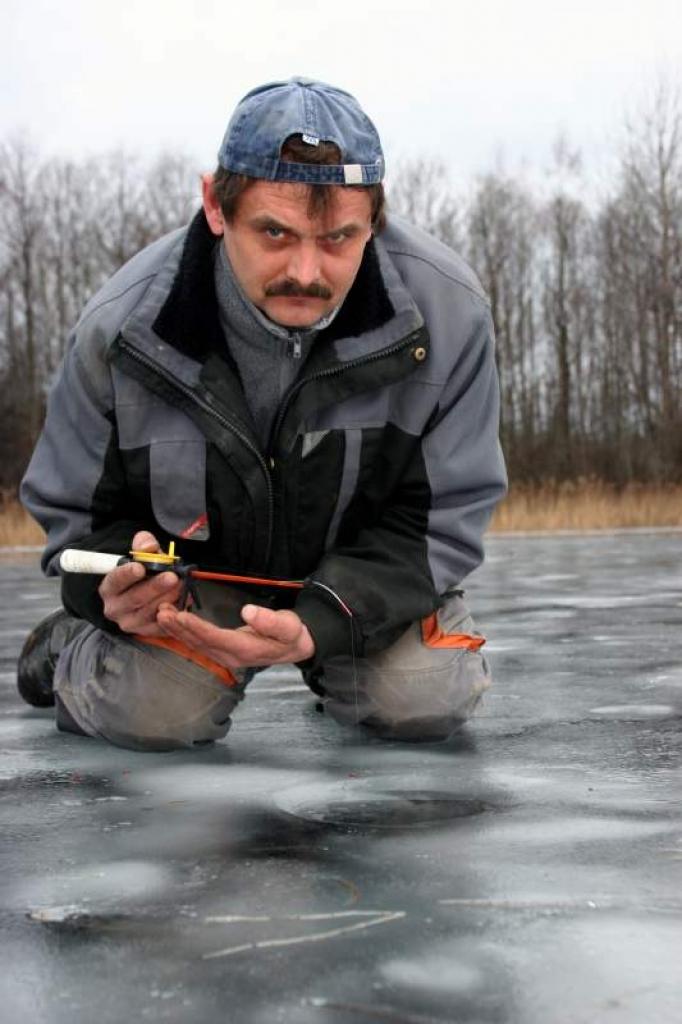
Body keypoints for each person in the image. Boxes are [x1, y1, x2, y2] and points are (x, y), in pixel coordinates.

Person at [18, 77, 507, 751]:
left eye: (339, 236)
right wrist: (111, 585)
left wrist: (324, 621)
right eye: (274, 232)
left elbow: (446, 517)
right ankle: (69, 650)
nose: (306, 270)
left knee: (426, 699)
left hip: (360, 582)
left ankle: (338, 661)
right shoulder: (121, 327)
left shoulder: (451, 316)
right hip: (190, 593)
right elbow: (71, 517)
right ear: (216, 208)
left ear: (377, 220)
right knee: (155, 717)